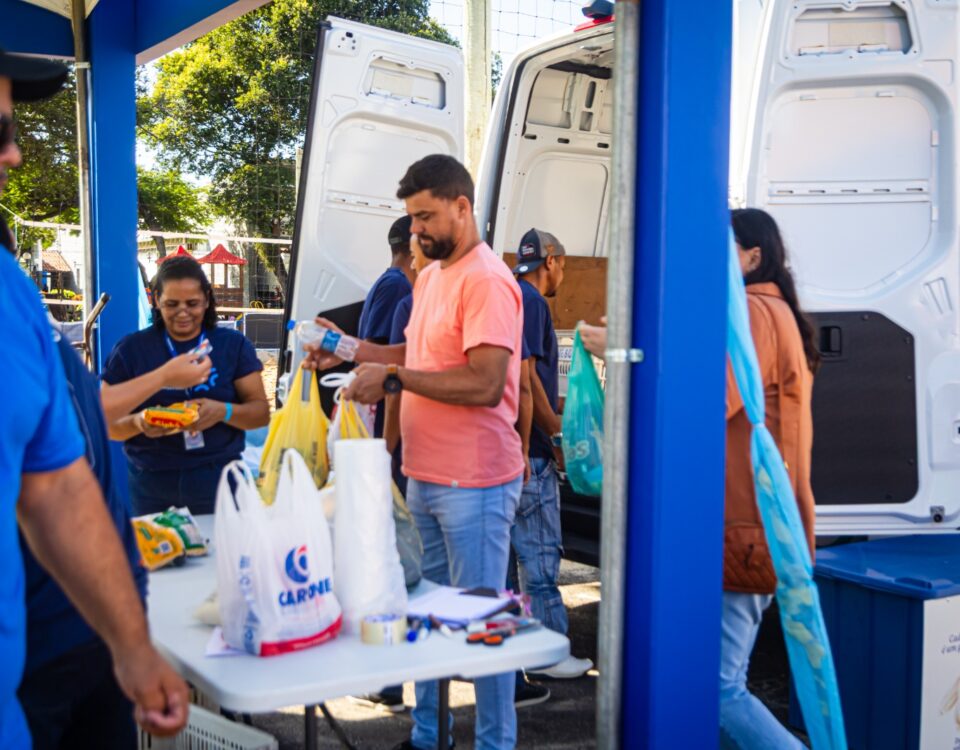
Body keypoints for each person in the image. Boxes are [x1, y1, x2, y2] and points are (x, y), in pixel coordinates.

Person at [0, 48, 188, 747]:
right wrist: (161, 388)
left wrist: (131, 646)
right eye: (0, 133)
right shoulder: (132, 350)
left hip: (71, 643)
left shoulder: (10, 290)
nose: (15, 154)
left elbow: (55, 485)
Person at [304, 154, 524, 750]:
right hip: (425, 476)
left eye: (425, 216)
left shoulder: (486, 280)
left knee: (483, 627)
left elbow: (484, 382)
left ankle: (495, 744)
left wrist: (394, 380)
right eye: (412, 217)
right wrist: (347, 349)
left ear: (462, 206)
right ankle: (429, 737)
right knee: (425, 616)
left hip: (476, 485)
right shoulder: (430, 277)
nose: (416, 230)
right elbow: (413, 357)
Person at [721, 208, 818, 749]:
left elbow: (716, 399)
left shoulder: (756, 313)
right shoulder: (776, 310)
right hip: (763, 524)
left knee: (718, 689)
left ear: (752, 256)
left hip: (747, 527)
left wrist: (626, 360)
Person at [103, 256, 270, 515]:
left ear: (207, 299)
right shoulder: (131, 350)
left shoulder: (232, 345)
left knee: (220, 542)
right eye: (172, 304)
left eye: (192, 303)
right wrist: (138, 423)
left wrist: (223, 411)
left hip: (218, 477)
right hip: (152, 481)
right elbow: (106, 422)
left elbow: (260, 414)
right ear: (156, 300)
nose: (182, 312)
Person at [509, 228, 594, 685]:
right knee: (540, 559)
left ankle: (521, 650)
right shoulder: (534, 302)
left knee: (515, 563)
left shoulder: (512, 295)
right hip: (532, 453)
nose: (563, 271)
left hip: (513, 448)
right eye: (563, 264)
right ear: (552, 261)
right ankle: (548, 651)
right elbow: (526, 382)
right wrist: (555, 433)